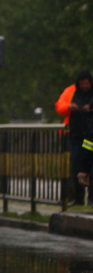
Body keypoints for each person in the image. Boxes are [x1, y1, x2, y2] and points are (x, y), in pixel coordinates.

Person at [57, 70, 93, 205]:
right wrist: (69, 106)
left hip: (91, 136)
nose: (84, 86)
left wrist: (90, 108)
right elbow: (59, 106)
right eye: (81, 83)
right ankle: (78, 198)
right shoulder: (71, 91)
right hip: (76, 135)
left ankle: (91, 199)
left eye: (86, 83)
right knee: (76, 166)